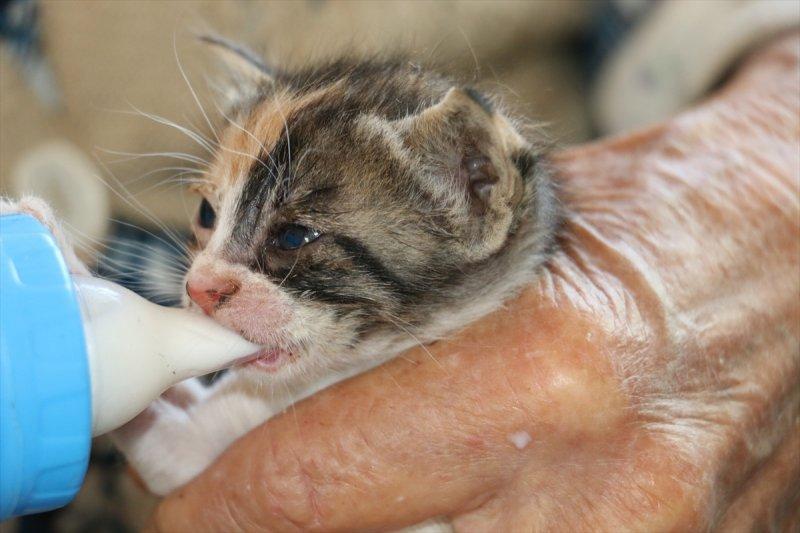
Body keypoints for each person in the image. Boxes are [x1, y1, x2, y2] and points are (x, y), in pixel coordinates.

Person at [147, 35, 800, 532]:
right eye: (209, 215)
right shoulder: (267, 363)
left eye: (293, 239)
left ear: (473, 188)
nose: (202, 277)